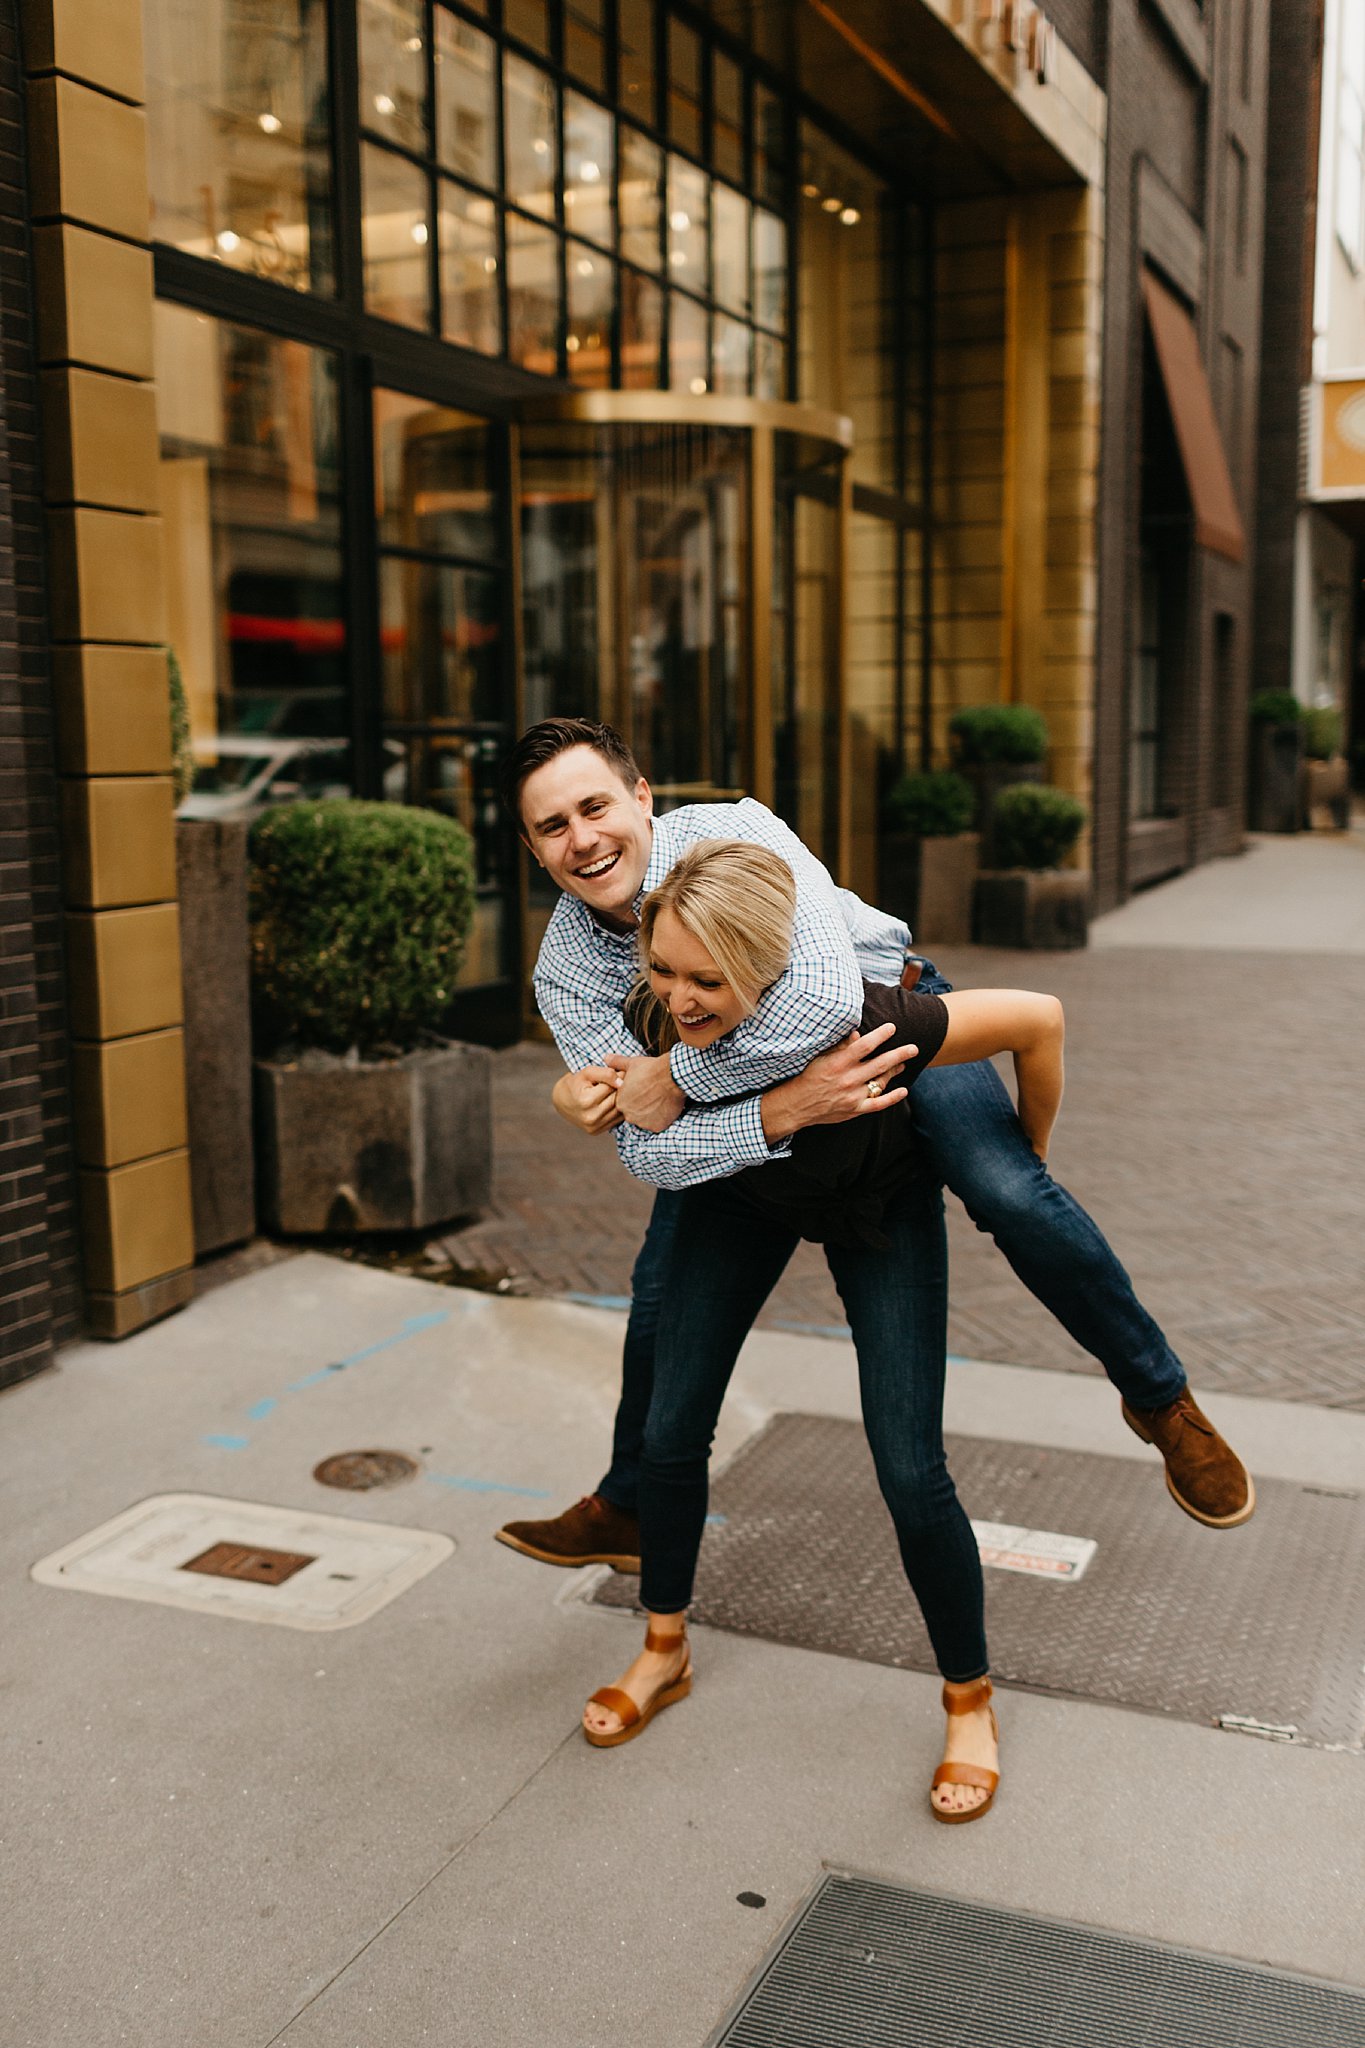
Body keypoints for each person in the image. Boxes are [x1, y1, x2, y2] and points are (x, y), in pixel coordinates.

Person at [494, 717, 1253, 1591]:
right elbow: (644, 1145)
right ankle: (630, 1504)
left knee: (1008, 1189)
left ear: (641, 796)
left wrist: (671, 1076)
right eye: (553, 826)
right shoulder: (565, 965)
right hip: (752, 1091)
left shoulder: (740, 830)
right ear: (531, 847)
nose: (582, 839)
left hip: (890, 1018)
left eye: (594, 806)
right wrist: (759, 1107)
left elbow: (821, 1009)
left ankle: (1159, 1400)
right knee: (661, 1290)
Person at [576, 838, 1068, 1820]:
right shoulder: (656, 1004)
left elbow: (1038, 1018)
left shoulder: (866, 1011)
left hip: (876, 1207)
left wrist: (1020, 1168)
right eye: (664, 969)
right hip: (737, 1197)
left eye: (707, 980)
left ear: (770, 966)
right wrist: (578, 1090)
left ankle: (969, 1699)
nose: (678, 998)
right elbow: (599, 1082)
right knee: (670, 1427)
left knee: (907, 1464)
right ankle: (664, 1645)